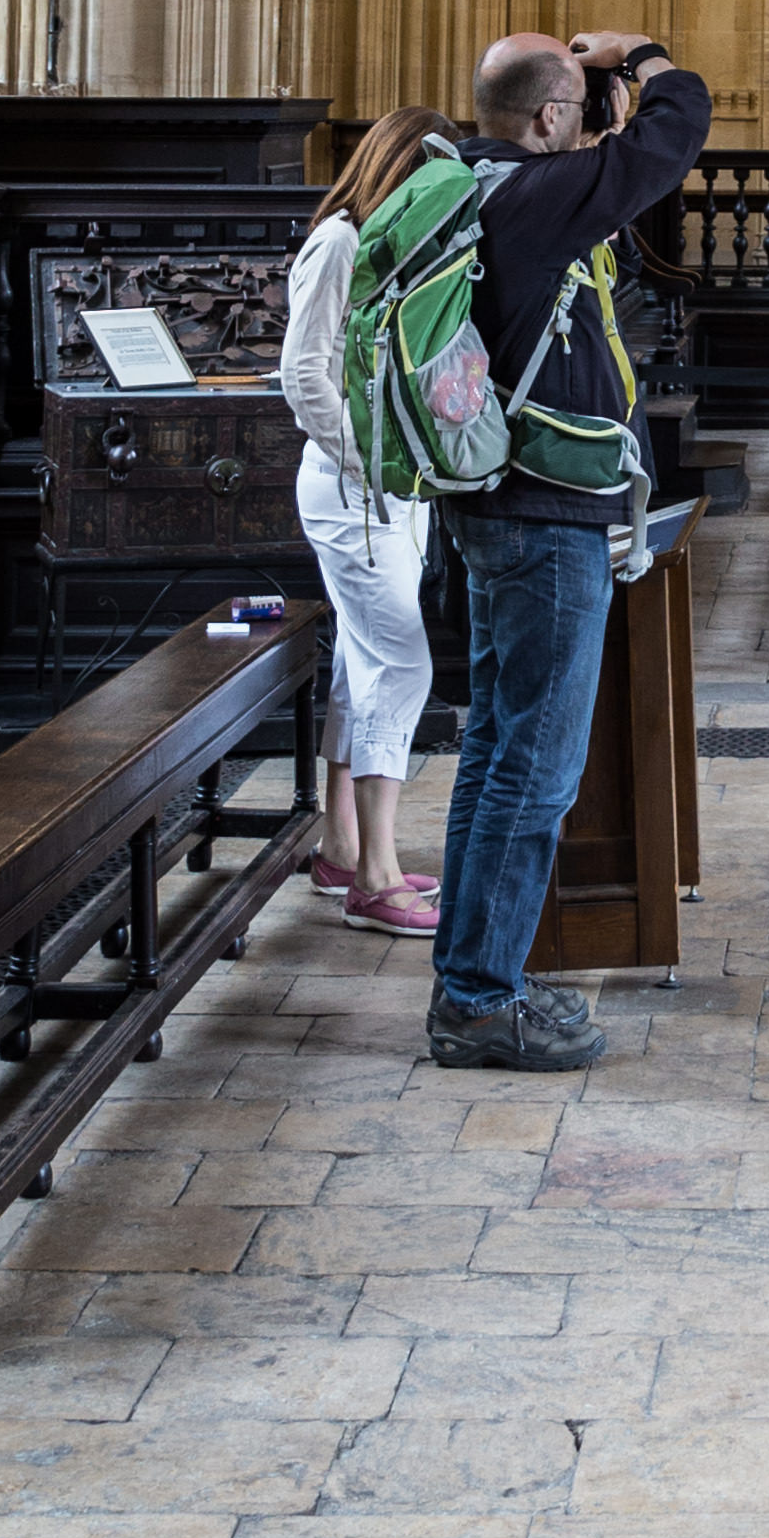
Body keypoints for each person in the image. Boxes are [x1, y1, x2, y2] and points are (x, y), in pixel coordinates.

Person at [428, 26, 710, 1070]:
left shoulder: (476, 184)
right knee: (537, 770)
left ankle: (473, 976)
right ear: (550, 116)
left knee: (496, 754)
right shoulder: (538, 200)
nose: (589, 120)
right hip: (545, 524)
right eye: (576, 106)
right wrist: (647, 57)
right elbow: (675, 134)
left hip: (500, 510)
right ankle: (478, 998)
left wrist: (594, 106)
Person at [277, 101, 450, 937]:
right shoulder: (341, 241)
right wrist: (371, 461)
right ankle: (376, 880)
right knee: (400, 665)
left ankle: (342, 847)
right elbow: (303, 374)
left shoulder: (382, 247)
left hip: (386, 489)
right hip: (355, 490)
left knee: (361, 662)